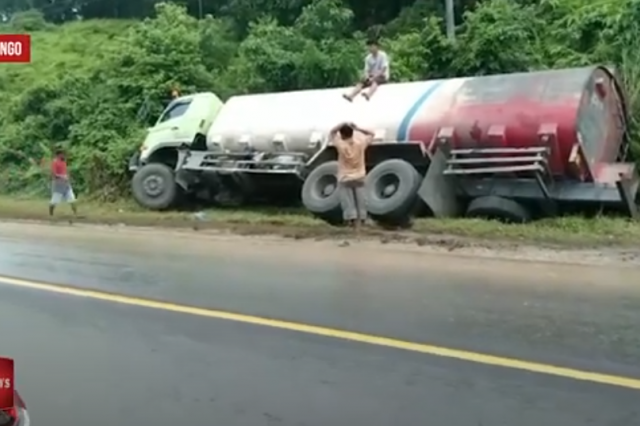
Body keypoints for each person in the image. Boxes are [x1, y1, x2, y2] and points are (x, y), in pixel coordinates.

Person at [329, 121, 375, 232]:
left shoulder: (341, 145)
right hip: (359, 176)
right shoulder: (360, 143)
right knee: (361, 199)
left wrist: (341, 124)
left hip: (345, 177)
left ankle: (351, 221)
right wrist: (358, 128)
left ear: (342, 135)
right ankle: (363, 219)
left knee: (348, 200)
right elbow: (372, 134)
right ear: (352, 133)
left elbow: (331, 132)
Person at [50, 149, 78, 218]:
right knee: (54, 201)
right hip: (58, 185)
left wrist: (68, 178)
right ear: (59, 155)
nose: (64, 156)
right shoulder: (55, 162)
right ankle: (51, 214)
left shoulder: (64, 162)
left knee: (72, 199)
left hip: (66, 184)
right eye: (63, 154)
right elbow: (53, 174)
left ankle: (75, 214)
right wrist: (62, 176)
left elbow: (65, 172)